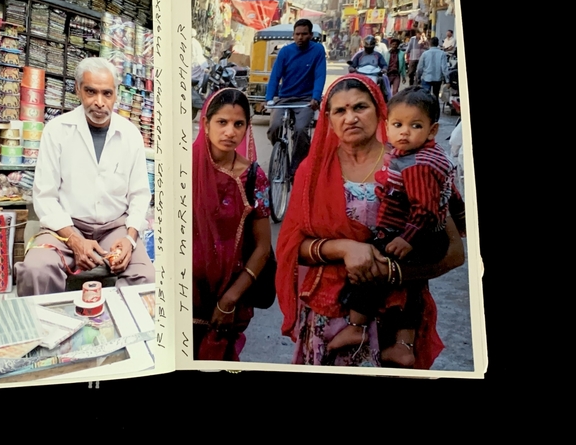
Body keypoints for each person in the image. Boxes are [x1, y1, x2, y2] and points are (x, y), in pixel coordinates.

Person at [274, 74, 465, 368]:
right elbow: (292, 247)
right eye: (340, 110)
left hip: (397, 321)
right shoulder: (312, 172)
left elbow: (453, 253)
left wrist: (390, 272)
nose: (350, 118)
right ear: (328, 118)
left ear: (379, 110)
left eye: (360, 107)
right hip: (328, 315)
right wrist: (344, 249)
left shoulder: (414, 165)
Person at [327, 87, 467, 366]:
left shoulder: (417, 164)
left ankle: (357, 326)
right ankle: (404, 344)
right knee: (411, 285)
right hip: (422, 236)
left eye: (415, 126)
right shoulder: (424, 157)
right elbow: (451, 198)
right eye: (398, 125)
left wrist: (406, 239)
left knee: (373, 268)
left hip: (416, 236)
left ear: (432, 130)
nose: (404, 132)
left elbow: (426, 210)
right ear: (387, 124)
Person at [16, 57, 155, 296]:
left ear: (116, 94)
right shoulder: (57, 130)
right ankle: (46, 330)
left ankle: (117, 330)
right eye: (91, 92)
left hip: (115, 229)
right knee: (36, 270)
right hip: (65, 228)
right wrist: (74, 240)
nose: (99, 102)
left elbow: (140, 195)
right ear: (78, 89)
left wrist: (130, 239)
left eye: (107, 94)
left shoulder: (130, 134)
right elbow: (45, 197)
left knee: (146, 277)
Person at [193, 88, 271, 360]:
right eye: (222, 122)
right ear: (206, 123)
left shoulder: (253, 177)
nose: (230, 132)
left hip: (227, 297)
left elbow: (262, 247)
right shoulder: (184, 168)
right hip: (185, 294)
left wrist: (230, 300)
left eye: (238, 124)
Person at [265, 19, 327, 175]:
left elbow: (320, 75)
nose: (300, 37)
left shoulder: (317, 50)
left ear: (310, 35)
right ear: (293, 35)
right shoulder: (285, 52)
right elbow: (275, 76)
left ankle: (296, 168)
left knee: (300, 131)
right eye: (297, 34)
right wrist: (269, 98)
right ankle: (279, 151)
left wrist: (316, 97)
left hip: (306, 99)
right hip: (285, 98)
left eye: (304, 34)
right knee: (274, 126)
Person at [349, 35, 390, 100]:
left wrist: (384, 69)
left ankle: (385, 98)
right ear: (364, 46)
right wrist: (351, 68)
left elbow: (384, 65)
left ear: (374, 46)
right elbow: (352, 65)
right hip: (361, 74)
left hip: (375, 74)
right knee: (349, 81)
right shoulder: (359, 55)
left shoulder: (378, 55)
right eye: (367, 48)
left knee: (383, 79)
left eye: (370, 48)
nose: (368, 49)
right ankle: (350, 96)